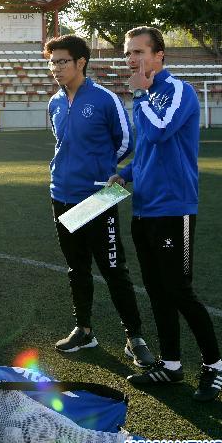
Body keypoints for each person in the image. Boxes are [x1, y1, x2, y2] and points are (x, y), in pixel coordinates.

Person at [109, 26, 222, 402]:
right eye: (129, 53)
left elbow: (160, 131)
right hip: (144, 209)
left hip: (174, 210)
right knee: (158, 291)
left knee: (179, 290)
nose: (133, 60)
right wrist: (124, 175)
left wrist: (141, 93)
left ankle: (215, 366)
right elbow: (146, 150)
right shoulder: (143, 97)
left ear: (160, 55)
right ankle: (172, 365)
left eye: (140, 52)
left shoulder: (178, 91)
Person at [44, 35, 154, 368]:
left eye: (62, 62)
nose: (56, 68)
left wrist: (102, 171)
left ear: (81, 63)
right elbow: (60, 142)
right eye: (52, 63)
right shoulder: (55, 103)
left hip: (97, 196)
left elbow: (126, 143)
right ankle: (84, 329)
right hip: (60, 195)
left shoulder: (105, 99)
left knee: (113, 269)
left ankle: (135, 337)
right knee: (77, 267)